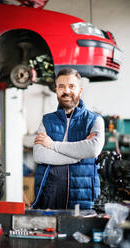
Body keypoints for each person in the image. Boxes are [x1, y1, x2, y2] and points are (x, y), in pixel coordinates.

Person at [31, 68, 105, 210]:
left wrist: (52, 145)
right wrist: (78, 156)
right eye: (61, 87)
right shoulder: (47, 120)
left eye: (72, 86)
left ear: (80, 90)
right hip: (50, 194)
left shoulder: (94, 120)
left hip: (83, 195)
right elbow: (39, 155)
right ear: (56, 90)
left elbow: (92, 149)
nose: (66, 91)